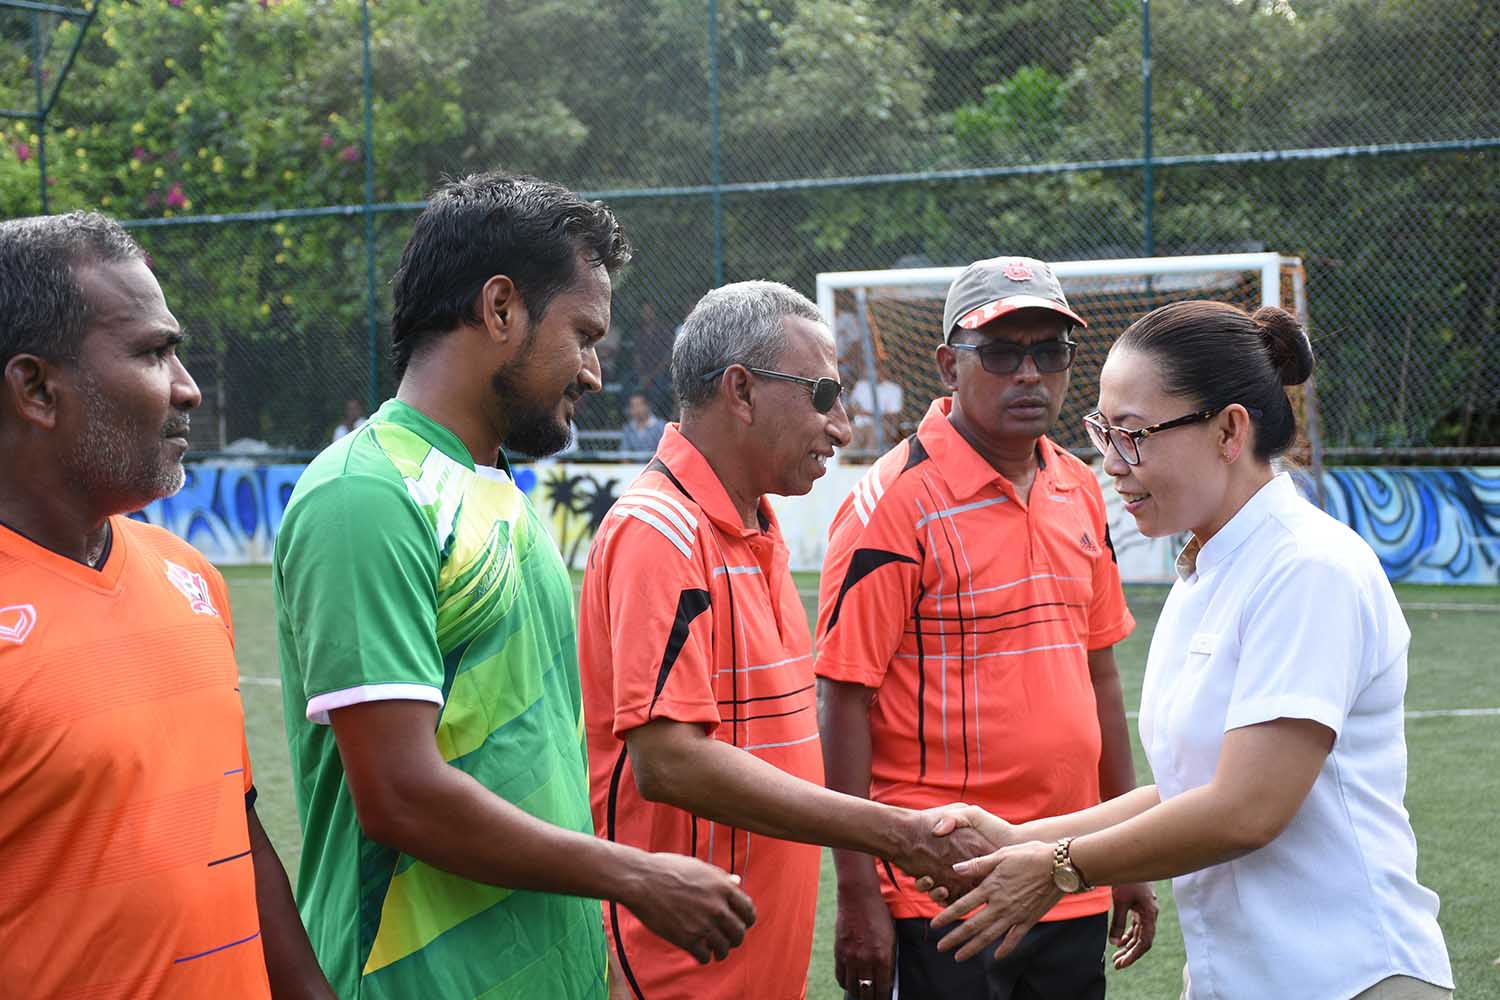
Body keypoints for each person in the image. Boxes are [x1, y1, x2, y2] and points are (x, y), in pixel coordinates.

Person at [273, 172, 755, 1000]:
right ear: (500, 309)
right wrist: (634, 875)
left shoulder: (498, 492)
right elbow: (399, 796)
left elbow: (539, 759)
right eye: (583, 335)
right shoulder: (368, 493)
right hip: (420, 983)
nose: (594, 372)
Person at [925, 301, 1454, 1000]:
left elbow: (1247, 808)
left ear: (1230, 430)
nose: (1111, 463)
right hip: (1241, 978)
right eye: (1103, 432)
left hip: (1350, 976)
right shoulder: (1207, 568)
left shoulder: (1308, 568)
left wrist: (1060, 866)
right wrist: (1019, 838)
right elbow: (1187, 788)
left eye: (1132, 435)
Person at [577, 281, 993, 1000]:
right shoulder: (658, 533)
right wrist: (895, 833)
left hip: (755, 964)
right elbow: (669, 763)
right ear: (741, 390)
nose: (843, 427)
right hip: (678, 975)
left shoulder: (756, 528)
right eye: (824, 395)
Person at [0, 212, 331, 998]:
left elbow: (235, 825)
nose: (188, 387)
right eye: (153, 353)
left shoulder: (191, 577)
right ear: (37, 388)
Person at [816, 255, 1157, 1000]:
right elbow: (843, 696)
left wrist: (1120, 853)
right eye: (1001, 353)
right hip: (943, 884)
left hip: (1067, 871)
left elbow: (1100, 675)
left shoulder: (1079, 487)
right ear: (948, 365)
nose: (1029, 374)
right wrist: (859, 890)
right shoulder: (893, 502)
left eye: (1050, 352)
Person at [619, 389, 666, 455]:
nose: (636, 409)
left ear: (647, 406)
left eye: (638, 405)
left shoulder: (661, 426)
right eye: (632, 406)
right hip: (634, 462)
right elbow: (624, 454)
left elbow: (665, 453)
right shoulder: (628, 428)